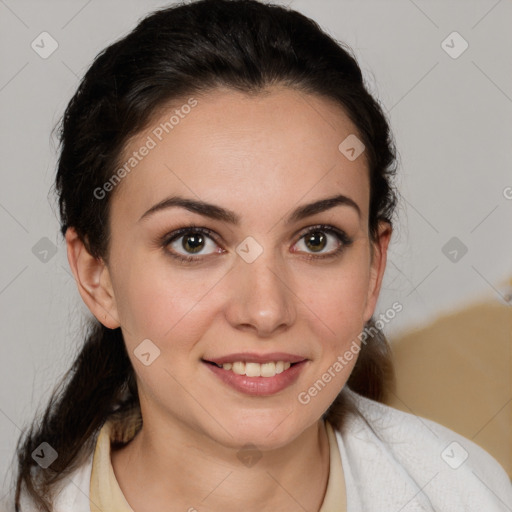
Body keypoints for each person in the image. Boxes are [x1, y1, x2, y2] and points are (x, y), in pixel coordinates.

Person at [8, 0, 511, 510]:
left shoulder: (468, 493)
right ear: (98, 277)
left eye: (317, 239)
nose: (266, 311)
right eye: (194, 241)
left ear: (374, 269)